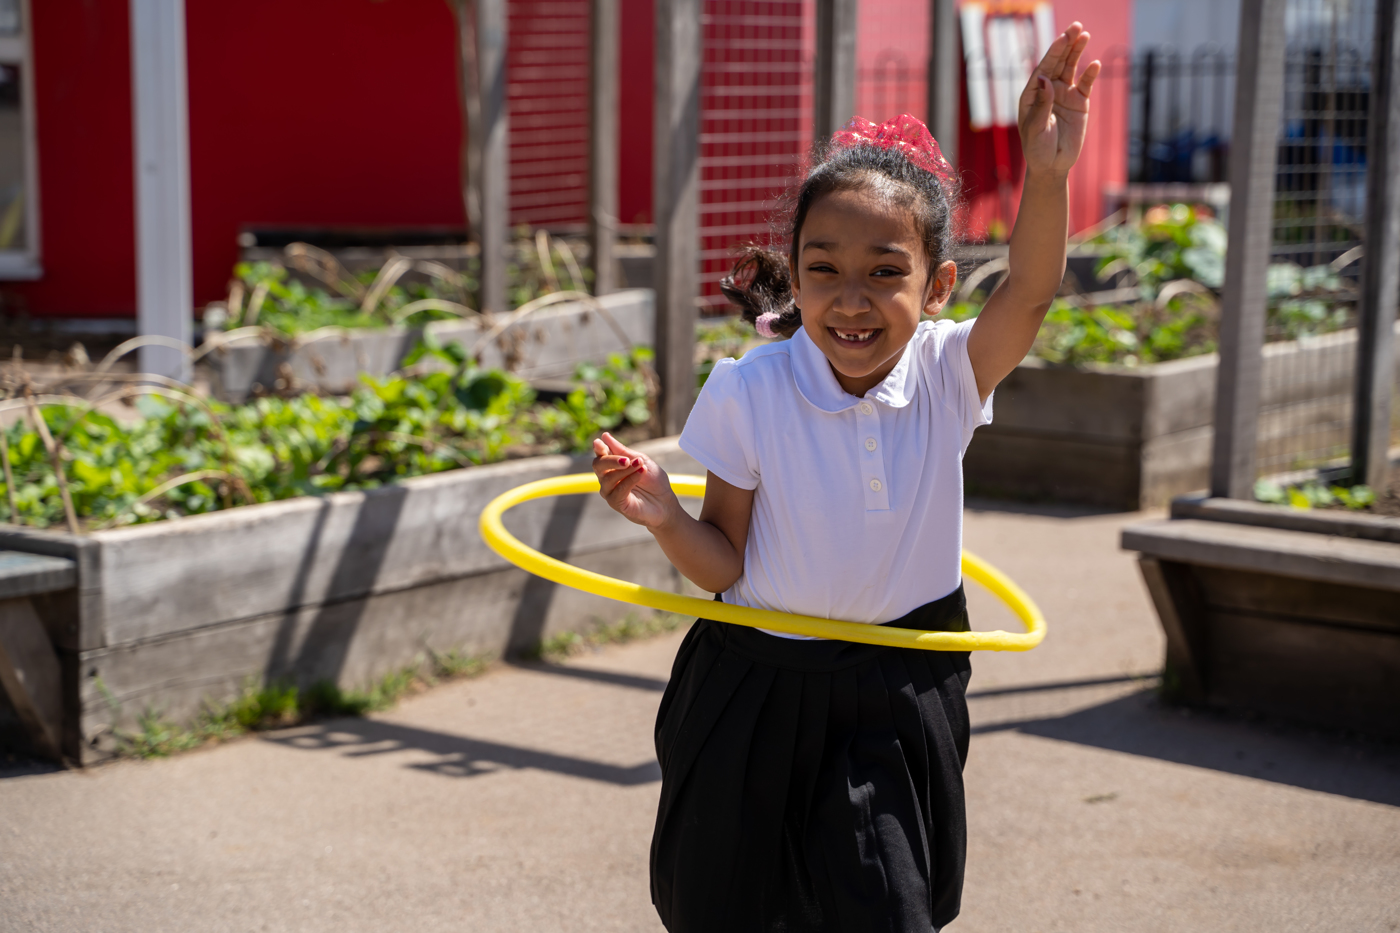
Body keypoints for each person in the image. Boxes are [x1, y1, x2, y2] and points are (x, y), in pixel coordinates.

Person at [591, 23, 1100, 933]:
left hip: (897, 684)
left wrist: (1048, 173)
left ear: (937, 286)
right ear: (796, 275)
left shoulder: (950, 372)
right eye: (823, 270)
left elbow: (1026, 291)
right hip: (756, 677)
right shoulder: (750, 388)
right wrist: (663, 514)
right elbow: (721, 566)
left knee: (890, 906)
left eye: (884, 272)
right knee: (728, 905)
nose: (851, 297)